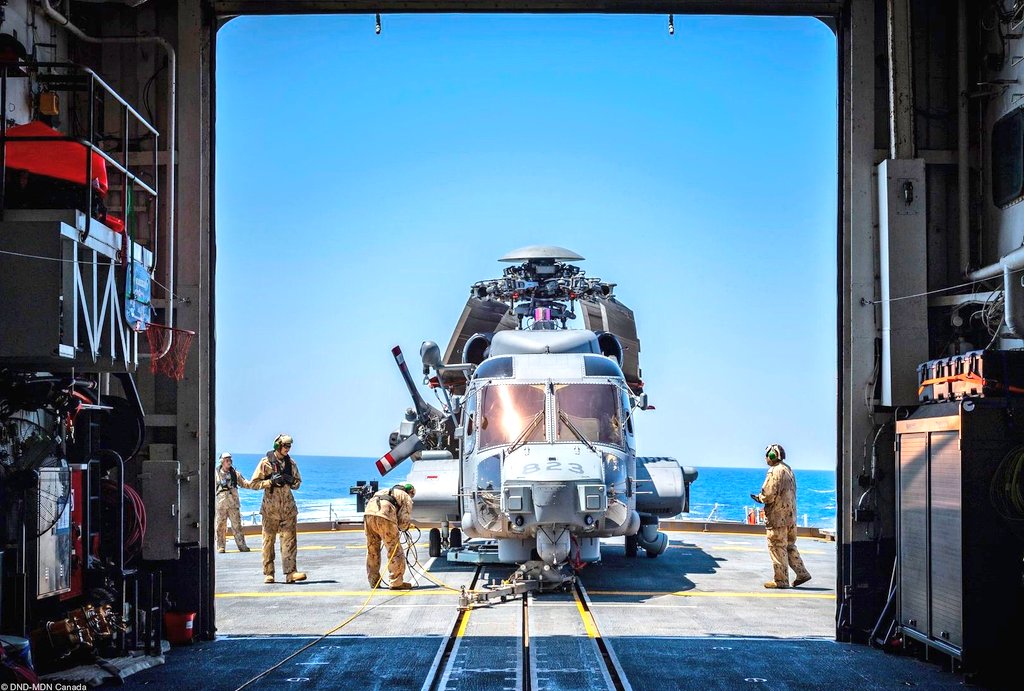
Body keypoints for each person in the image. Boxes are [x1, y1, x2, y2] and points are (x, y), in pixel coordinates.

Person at [751, 443, 812, 589]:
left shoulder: (774, 471)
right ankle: (802, 573)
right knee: (789, 546)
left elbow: (768, 495)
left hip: (777, 517)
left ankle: (781, 580)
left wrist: (759, 498)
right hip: (790, 517)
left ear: (772, 456)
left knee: (777, 546)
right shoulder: (788, 470)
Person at [249, 434, 306, 584]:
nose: (287, 449)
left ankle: (291, 573)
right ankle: (269, 573)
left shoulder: (291, 463)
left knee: (290, 542)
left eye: (289, 446)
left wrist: (291, 481)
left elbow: (298, 483)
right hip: (270, 511)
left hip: (288, 509)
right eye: (285, 446)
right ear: (277, 446)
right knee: (268, 542)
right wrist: (270, 482)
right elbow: (253, 484)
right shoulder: (265, 463)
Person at [363, 483, 416, 590]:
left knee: (372, 549)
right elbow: (403, 521)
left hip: (368, 514)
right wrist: (406, 527)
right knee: (394, 550)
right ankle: (396, 582)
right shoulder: (405, 496)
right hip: (385, 516)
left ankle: (374, 581)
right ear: (410, 492)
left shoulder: (382, 491)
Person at [214, 452, 252, 553]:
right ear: (222, 461)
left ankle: (242, 545)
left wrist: (255, 483)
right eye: (226, 460)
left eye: (230, 460)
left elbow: (244, 483)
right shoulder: (216, 474)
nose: (229, 462)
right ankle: (220, 546)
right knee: (220, 526)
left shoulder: (235, 473)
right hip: (221, 504)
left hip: (233, 504)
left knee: (237, 526)